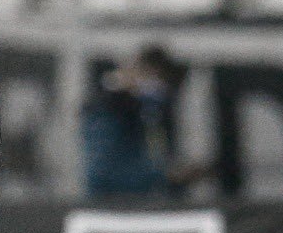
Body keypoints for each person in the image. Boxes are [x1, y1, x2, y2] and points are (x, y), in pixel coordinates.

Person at [81, 45, 205, 198]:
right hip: (114, 209)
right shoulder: (107, 111)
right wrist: (164, 176)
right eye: (153, 78)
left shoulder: (144, 111)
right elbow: (102, 176)